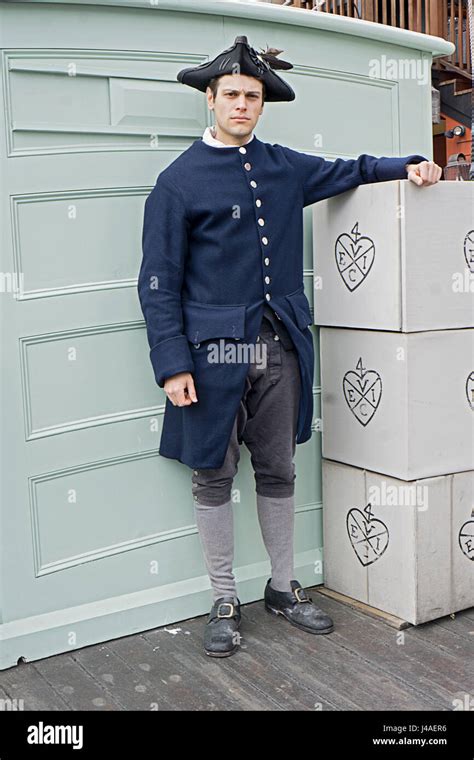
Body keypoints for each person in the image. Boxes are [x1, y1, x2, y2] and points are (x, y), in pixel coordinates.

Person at [137, 35, 442, 658]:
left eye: (252, 96)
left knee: (279, 468)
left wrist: (410, 162)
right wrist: (172, 363)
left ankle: (282, 587)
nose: (242, 105)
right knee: (213, 475)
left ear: (262, 104)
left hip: (280, 347)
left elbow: (350, 170)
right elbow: (157, 281)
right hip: (213, 355)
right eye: (231, 95)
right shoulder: (177, 182)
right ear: (210, 99)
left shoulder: (281, 166)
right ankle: (224, 597)